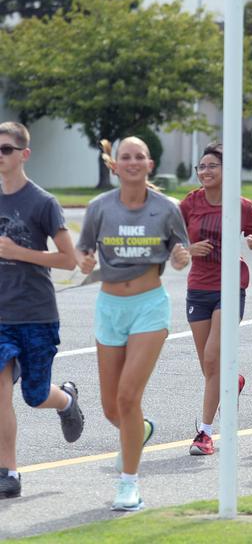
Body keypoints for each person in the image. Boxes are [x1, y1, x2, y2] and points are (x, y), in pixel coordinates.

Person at [76, 136, 190, 510]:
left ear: (150, 164)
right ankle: (139, 431)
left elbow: (180, 252)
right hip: (109, 306)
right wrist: (85, 261)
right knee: (112, 407)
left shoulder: (167, 208)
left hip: (148, 306)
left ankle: (129, 484)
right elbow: (84, 251)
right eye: (126, 157)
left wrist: (179, 258)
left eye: (139, 157)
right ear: (116, 164)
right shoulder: (99, 208)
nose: (132, 162)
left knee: (128, 397)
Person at [0, 122, 84, 500]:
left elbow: (70, 260)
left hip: (36, 314)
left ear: (24, 154)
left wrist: (19, 254)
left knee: (35, 395)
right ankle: (9, 472)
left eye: (5, 149)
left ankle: (65, 399)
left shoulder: (42, 202)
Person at [180, 142, 252, 456]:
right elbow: (171, 243)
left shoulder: (240, 204)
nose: (205, 171)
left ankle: (204, 434)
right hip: (198, 288)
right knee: (211, 368)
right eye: (201, 167)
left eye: (212, 166)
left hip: (230, 286)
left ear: (225, 170)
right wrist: (189, 250)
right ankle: (234, 380)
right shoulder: (190, 203)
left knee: (211, 358)